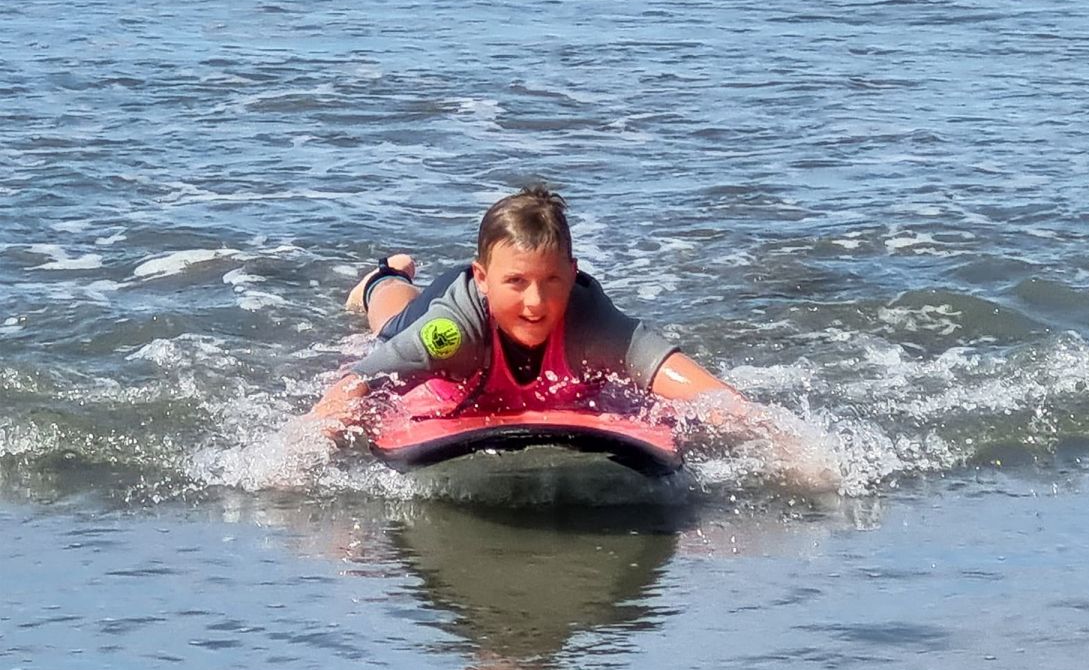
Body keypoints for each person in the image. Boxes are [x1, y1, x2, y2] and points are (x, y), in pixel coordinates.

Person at [310, 185, 839, 492]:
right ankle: (384, 277)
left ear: (573, 272)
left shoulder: (591, 320)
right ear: (485, 276)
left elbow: (694, 383)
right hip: (445, 302)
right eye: (517, 283)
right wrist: (307, 443)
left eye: (552, 281)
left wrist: (778, 439)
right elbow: (362, 378)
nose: (536, 303)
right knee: (391, 324)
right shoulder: (455, 329)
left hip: (490, 287)